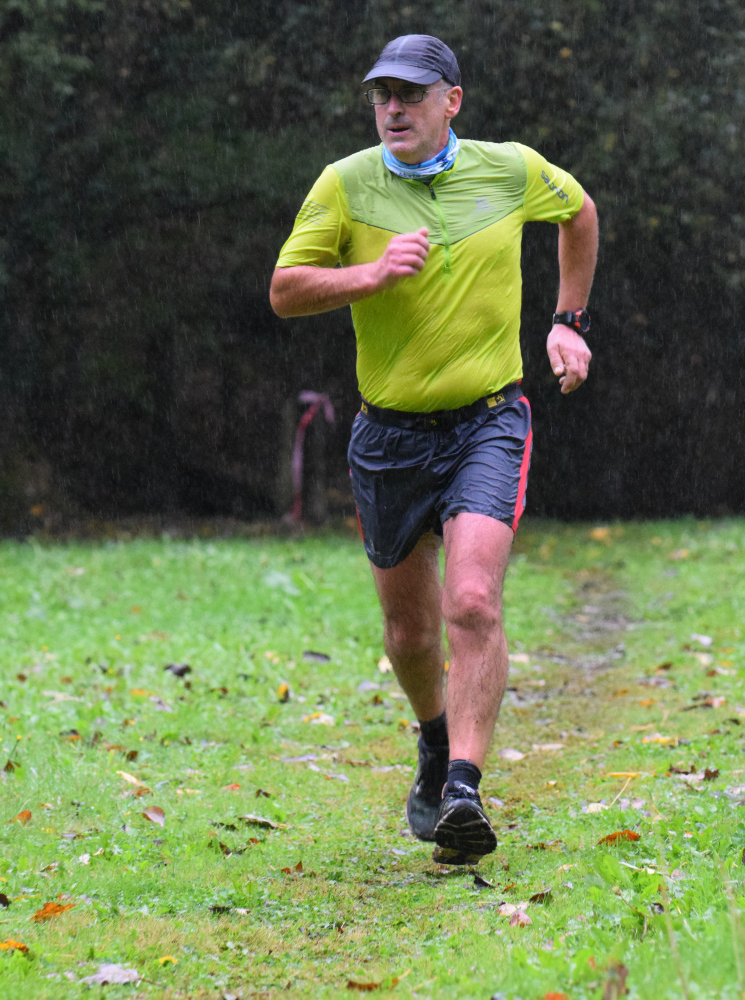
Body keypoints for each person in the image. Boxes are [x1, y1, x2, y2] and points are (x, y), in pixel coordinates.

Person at [269, 34, 598, 864]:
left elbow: (580, 213)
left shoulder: (509, 170)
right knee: (411, 635)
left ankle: (463, 789)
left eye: (411, 94)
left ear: (452, 101)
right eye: (382, 94)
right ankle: (433, 735)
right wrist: (370, 275)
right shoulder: (345, 185)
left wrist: (567, 321)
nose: (393, 108)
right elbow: (285, 289)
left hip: (488, 420)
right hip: (388, 434)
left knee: (473, 601)